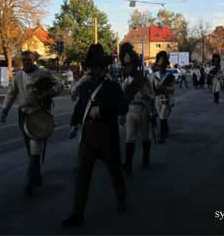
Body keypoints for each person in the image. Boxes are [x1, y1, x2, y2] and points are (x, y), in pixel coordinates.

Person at [61, 44, 128, 228]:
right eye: (90, 67)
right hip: (88, 137)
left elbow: (123, 107)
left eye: (96, 67)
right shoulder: (85, 87)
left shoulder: (112, 87)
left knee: (115, 171)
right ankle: (77, 213)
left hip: (107, 136)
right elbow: (80, 107)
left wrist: (103, 110)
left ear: (103, 69)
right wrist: (74, 124)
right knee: (82, 175)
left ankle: (121, 199)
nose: (92, 70)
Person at [0, 51, 63, 196]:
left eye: (28, 59)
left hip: (39, 115)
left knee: (35, 150)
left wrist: (47, 93)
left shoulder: (43, 73)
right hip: (23, 116)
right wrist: (4, 110)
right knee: (30, 149)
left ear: (33, 60)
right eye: (23, 60)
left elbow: (59, 86)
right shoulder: (18, 76)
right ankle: (37, 176)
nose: (26, 62)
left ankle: (30, 182)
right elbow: (11, 93)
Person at [119, 42, 155, 175]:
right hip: (130, 110)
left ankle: (146, 160)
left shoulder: (144, 80)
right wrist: (122, 114)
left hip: (143, 109)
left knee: (145, 136)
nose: (127, 68)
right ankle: (128, 164)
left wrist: (147, 97)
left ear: (134, 65)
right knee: (129, 138)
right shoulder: (125, 82)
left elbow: (152, 96)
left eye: (129, 65)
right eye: (125, 65)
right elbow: (123, 99)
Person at [151, 51, 175, 143]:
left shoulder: (170, 76)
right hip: (157, 98)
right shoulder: (153, 76)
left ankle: (162, 136)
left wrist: (165, 88)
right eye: (160, 66)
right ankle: (166, 130)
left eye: (163, 66)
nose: (161, 68)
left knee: (162, 116)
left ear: (166, 66)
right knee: (162, 117)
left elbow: (172, 89)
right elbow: (152, 90)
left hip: (166, 98)